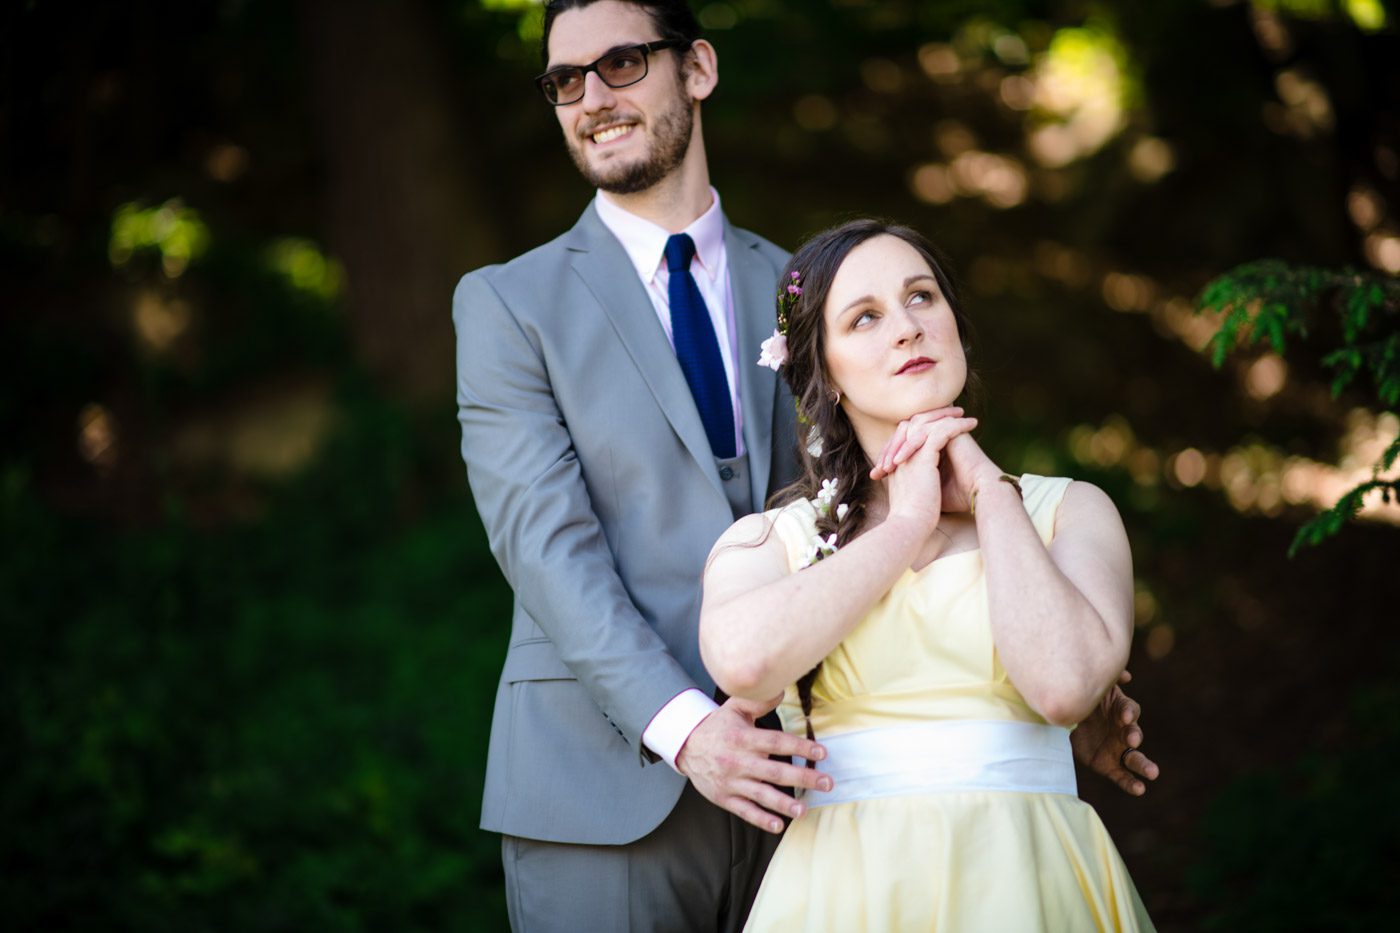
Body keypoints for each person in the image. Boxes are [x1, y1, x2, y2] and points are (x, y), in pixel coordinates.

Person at [453, 2, 1157, 930]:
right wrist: (687, 727)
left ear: (697, 68)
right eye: (565, 81)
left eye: (621, 63)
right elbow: (544, 549)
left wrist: (1065, 694)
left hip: (819, 793)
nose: (592, 98)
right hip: (609, 782)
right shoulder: (509, 302)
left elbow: (886, 493)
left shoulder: (819, 291)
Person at [699, 218, 1156, 931]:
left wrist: (989, 491)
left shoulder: (1070, 511)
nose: (907, 328)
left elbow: (1064, 685)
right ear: (825, 374)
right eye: (866, 317)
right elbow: (744, 664)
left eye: (922, 297)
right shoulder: (768, 542)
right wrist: (906, 522)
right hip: (846, 891)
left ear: (957, 328)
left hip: (1029, 878)